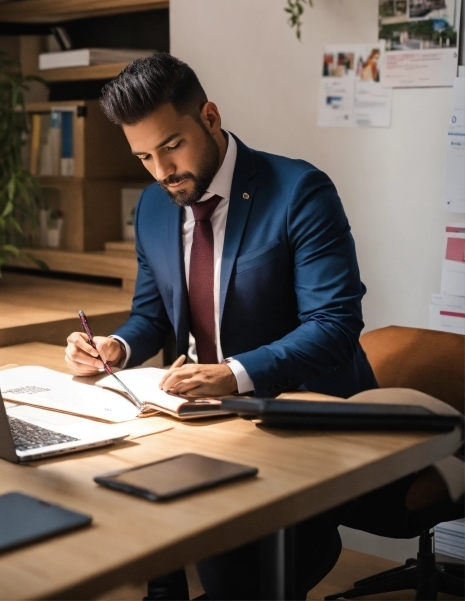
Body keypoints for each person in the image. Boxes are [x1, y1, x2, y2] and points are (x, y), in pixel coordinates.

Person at [65, 54, 377, 600]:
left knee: (230, 572)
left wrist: (233, 374)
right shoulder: (155, 207)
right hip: (203, 420)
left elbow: (335, 325)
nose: (162, 171)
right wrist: (115, 346)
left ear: (209, 117)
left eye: (171, 146)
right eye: (143, 157)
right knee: (121, 508)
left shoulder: (299, 191)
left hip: (298, 415)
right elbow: (151, 315)